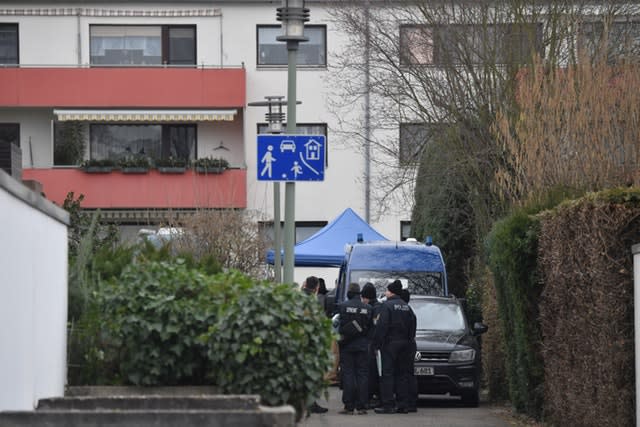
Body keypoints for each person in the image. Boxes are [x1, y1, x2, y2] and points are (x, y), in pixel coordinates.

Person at [373, 280, 415, 414]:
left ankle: (388, 404)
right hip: (405, 345)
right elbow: (413, 326)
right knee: (402, 374)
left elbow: (382, 326)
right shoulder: (407, 307)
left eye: (387, 290)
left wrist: (377, 344)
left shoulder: (387, 306)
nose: (385, 293)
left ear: (391, 292)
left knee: (388, 374)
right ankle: (403, 404)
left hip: (390, 345)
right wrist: (408, 341)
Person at [337, 282, 372, 415]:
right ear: (359, 294)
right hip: (362, 345)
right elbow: (370, 328)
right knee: (362, 375)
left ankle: (349, 406)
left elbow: (338, 325)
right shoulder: (368, 308)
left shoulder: (342, 306)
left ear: (349, 293)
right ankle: (362, 406)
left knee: (348, 375)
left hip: (346, 345)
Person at [301, 276, 329, 415]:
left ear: (305, 284)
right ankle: (311, 404)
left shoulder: (297, 298)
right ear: (317, 287)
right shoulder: (314, 302)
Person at [360, 282, 382, 408]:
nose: (362, 300)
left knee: (371, 372)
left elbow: (373, 327)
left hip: (372, 344)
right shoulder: (379, 306)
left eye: (363, 298)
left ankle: (370, 397)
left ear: (367, 297)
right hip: (376, 344)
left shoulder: (372, 309)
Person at [400, 288, 418, 413]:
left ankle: (404, 403)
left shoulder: (403, 312)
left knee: (403, 375)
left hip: (404, 346)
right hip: (411, 345)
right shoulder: (411, 312)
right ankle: (412, 403)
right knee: (410, 375)